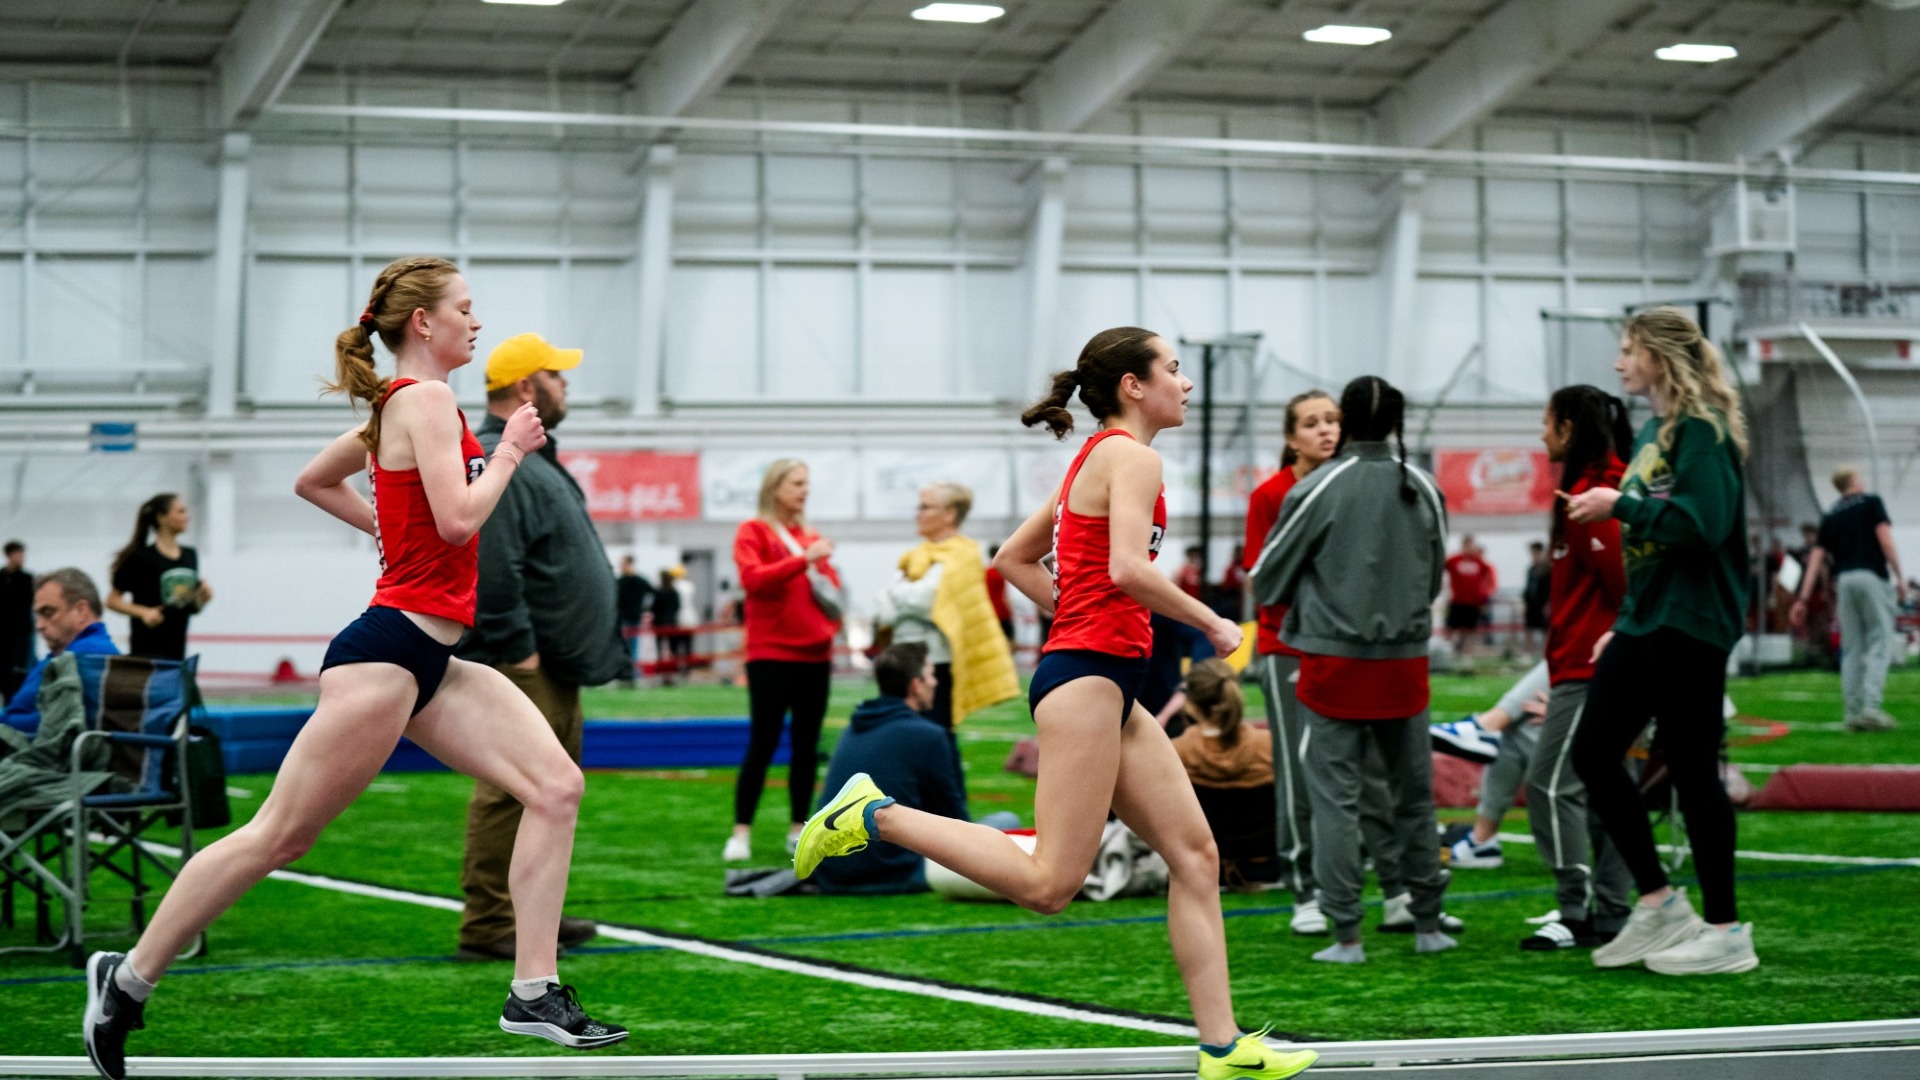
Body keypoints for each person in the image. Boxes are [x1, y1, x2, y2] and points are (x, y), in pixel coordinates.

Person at [81, 257, 624, 1080]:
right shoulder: (428, 400)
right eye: (465, 310)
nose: (476, 323)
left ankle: (534, 990)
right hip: (388, 655)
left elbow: (314, 481)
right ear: (424, 325)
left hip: (432, 656)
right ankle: (124, 981)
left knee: (555, 787)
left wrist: (385, 529)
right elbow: (456, 521)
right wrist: (510, 451)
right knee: (280, 835)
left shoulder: (395, 405)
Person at [793, 327, 1318, 1080]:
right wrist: (1210, 622)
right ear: (1134, 386)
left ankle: (1223, 1047)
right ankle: (873, 814)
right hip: (1087, 679)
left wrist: (1078, 612)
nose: (1187, 384)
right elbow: (1130, 570)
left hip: (1107, 677)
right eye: (1174, 370)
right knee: (1049, 886)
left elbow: (1012, 558)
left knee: (1197, 857)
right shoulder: (1131, 457)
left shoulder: (1095, 460)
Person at [1565, 305, 1754, 976]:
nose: (1619, 363)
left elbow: (1704, 525)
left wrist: (1621, 504)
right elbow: (1648, 551)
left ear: (1659, 356)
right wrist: (1622, 620)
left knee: (1694, 770)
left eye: (1628, 351)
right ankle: (1661, 902)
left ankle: (1728, 931)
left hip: (1694, 622)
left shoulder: (1701, 433)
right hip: (1647, 621)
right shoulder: (1653, 430)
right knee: (1591, 755)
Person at [1252, 375, 1455, 964]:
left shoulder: (1318, 487)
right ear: (1395, 422)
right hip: (1406, 667)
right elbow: (1435, 578)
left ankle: (1346, 933)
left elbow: (1267, 576)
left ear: (1346, 420)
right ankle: (1427, 922)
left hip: (1331, 666)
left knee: (1334, 801)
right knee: (1415, 799)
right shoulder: (1421, 484)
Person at [452, 332, 627, 963]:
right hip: (526, 664)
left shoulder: (528, 458)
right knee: (514, 788)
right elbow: (494, 565)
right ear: (527, 386)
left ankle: (529, 920)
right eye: (558, 375)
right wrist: (520, 653)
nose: (566, 386)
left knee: (548, 793)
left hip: (553, 663)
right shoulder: (496, 457)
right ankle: (490, 924)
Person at [1244, 388, 1400, 936]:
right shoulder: (1271, 495)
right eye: (1311, 423)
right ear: (1291, 438)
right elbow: (1265, 577)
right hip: (1290, 648)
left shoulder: (1357, 484)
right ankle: (1305, 887)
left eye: (1333, 420)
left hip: (1352, 651)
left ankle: (1395, 885)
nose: (1325, 430)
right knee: (1299, 768)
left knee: (1373, 770)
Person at [1518, 384, 1636, 953]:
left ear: (1567, 427)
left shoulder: (1596, 497)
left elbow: (1628, 588)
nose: (1540, 434)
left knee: (1548, 784)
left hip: (1594, 670)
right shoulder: (1590, 488)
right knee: (1610, 789)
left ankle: (1575, 906)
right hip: (1586, 665)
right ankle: (1611, 910)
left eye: (1546, 422)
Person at [812, 643, 1016, 894]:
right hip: (892, 871)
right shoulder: (927, 735)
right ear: (916, 685)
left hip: (830, 870)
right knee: (1006, 821)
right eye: (930, 675)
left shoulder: (854, 727)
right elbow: (958, 823)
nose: (935, 682)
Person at [728, 459, 843, 863]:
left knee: (807, 746)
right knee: (762, 742)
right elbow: (753, 580)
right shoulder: (753, 531)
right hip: (770, 654)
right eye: (797, 483)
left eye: (806, 483)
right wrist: (803, 559)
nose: (804, 490)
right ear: (775, 487)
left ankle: (798, 828)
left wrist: (830, 629)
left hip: (816, 655)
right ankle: (741, 830)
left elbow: (832, 592)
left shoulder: (811, 536)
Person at [876, 482, 1018, 732]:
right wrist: (902, 597)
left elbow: (926, 601)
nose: (917, 513)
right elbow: (884, 611)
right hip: (905, 658)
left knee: (936, 734)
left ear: (950, 513)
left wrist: (895, 594)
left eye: (926, 507)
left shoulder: (964, 553)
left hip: (937, 662)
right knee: (907, 736)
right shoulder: (916, 554)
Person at [1792, 467, 1906, 732]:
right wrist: (1899, 577)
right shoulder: (1871, 502)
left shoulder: (1831, 514)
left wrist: (1803, 598)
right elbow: (1885, 540)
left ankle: (1852, 713)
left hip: (1844, 581)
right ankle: (1871, 708)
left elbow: (1817, 557)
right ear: (1854, 480)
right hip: (1870, 576)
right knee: (1880, 640)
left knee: (1852, 647)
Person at [1170, 659, 1274, 887]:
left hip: (1203, 867)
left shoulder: (1174, 753)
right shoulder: (1271, 747)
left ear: (1191, 704)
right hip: (1270, 865)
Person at [2, 569, 119, 734]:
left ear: (81, 611)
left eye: (48, 613)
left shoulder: (85, 657)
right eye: (38, 616)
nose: (39, 625)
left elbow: (49, 724)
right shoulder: (74, 653)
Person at [106, 494, 213, 661]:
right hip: (146, 651)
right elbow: (112, 601)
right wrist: (144, 612)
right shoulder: (140, 558)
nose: (187, 516)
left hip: (177, 651)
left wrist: (202, 599)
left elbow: (190, 608)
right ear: (162, 517)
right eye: (181, 511)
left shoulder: (190, 556)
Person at [1444, 534, 1495, 657]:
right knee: (1452, 627)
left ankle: (1468, 653)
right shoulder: (1454, 560)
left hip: (1473, 602)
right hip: (1457, 600)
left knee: (1470, 629)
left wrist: (1485, 593)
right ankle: (1450, 651)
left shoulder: (1479, 562)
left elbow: (1489, 576)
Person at [615, 555, 654, 686]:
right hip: (626, 617)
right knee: (628, 647)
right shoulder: (632, 580)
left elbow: (652, 594)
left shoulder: (630, 581)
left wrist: (645, 608)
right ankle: (630, 672)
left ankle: (631, 672)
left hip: (630, 617)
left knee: (631, 647)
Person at [1, 541, 32, 703]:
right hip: (4, 634)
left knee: (20, 671)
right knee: (5, 672)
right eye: (18, 554)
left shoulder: (26, 579)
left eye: (22, 554)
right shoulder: (1, 578)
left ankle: (17, 703)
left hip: (22, 634)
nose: (21, 558)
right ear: (9, 556)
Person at [651, 568, 683, 684]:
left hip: (660, 623)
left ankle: (661, 674)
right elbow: (677, 607)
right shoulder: (674, 592)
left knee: (660, 650)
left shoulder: (658, 592)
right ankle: (672, 673)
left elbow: (654, 608)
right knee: (673, 650)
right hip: (672, 622)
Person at [1522, 540, 1551, 655]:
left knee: (1545, 629)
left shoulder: (1546, 569)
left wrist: (1548, 603)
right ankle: (1529, 652)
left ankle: (1546, 653)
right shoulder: (1531, 568)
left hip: (1542, 603)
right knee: (1529, 628)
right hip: (1531, 603)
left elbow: (1549, 587)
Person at [984, 543, 1015, 644]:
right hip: (1002, 611)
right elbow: (1005, 594)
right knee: (1009, 640)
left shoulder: (985, 572)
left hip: (990, 611)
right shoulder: (1000, 572)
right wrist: (1011, 610)